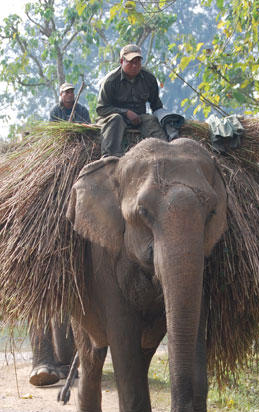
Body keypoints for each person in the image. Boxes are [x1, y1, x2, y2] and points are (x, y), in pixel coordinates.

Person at [28, 82, 88, 387]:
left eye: (70, 92)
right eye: (65, 93)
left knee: (74, 306)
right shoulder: (55, 114)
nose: (68, 96)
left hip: (84, 240)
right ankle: (44, 359)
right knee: (44, 302)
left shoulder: (83, 112)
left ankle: (68, 362)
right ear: (60, 96)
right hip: (48, 246)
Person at [96, 44, 168, 157]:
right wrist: (125, 113)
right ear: (121, 61)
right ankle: (110, 156)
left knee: (150, 120)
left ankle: (164, 152)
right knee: (116, 119)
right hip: (113, 119)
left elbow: (156, 105)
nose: (134, 66)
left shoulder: (149, 78)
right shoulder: (111, 81)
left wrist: (167, 120)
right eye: (131, 62)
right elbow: (101, 109)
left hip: (139, 118)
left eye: (137, 62)